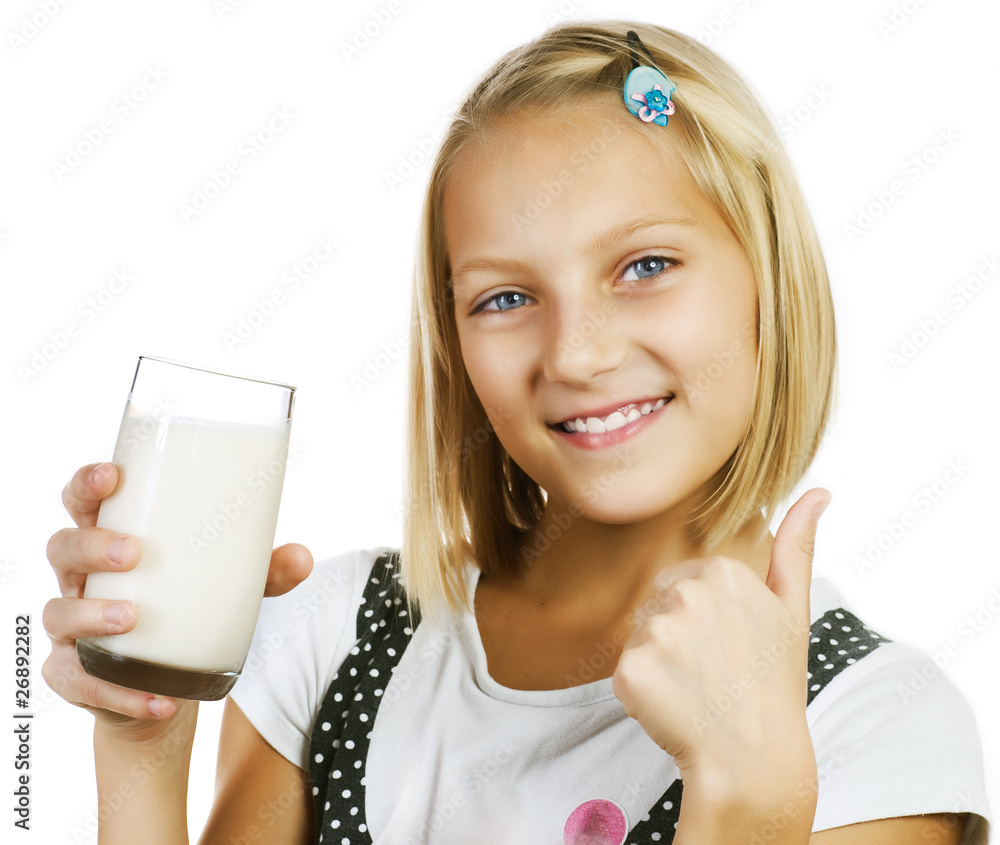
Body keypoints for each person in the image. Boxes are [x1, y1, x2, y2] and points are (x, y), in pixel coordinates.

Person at [42, 20, 990, 845]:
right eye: (503, 297)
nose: (576, 352)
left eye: (645, 264)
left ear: (767, 278)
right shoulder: (332, 637)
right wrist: (143, 740)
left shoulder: (876, 723)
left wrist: (752, 796)